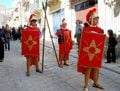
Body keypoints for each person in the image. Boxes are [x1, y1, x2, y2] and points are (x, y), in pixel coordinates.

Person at [77, 8, 104, 91]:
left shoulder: (100, 30)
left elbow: (101, 41)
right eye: (95, 19)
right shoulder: (86, 29)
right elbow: (83, 41)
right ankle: (85, 86)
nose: (96, 20)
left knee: (96, 68)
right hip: (88, 52)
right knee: (88, 69)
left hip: (96, 53)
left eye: (97, 19)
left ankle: (95, 83)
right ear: (91, 19)